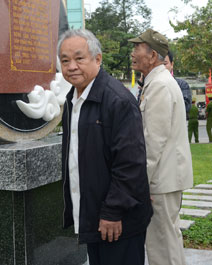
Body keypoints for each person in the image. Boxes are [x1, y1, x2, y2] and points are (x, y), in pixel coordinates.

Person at [58, 29, 152, 265]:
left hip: (117, 221)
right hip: (94, 217)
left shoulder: (117, 100)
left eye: (79, 58)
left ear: (97, 59)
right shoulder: (74, 100)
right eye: (65, 60)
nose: (71, 67)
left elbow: (130, 164)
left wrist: (113, 211)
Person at [129, 29, 193, 265]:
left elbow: (153, 142)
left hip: (160, 180)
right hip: (163, 177)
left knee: (162, 245)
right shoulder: (155, 82)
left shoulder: (160, 86)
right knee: (167, 241)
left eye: (138, 48)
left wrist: (140, 183)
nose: (132, 53)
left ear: (153, 55)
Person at [163, 50, 192, 120]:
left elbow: (185, 107)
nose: (162, 67)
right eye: (159, 65)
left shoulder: (182, 85)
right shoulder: (150, 85)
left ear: (172, 64)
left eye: (165, 64)